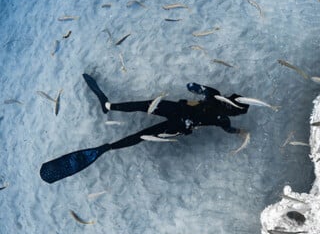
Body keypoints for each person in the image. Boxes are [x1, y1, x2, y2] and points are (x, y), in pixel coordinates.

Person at [39, 74, 249, 183]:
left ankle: (108, 107)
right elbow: (228, 128)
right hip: (182, 123)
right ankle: (108, 145)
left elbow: (191, 86)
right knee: (142, 134)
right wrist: (240, 132)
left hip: (179, 114)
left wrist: (200, 93)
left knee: (143, 111)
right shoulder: (223, 119)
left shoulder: (215, 96)